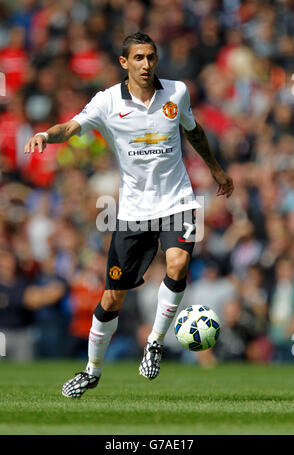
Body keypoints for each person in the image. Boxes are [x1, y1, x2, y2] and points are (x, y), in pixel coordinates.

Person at [24, 32, 234, 398]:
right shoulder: (107, 102)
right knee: (111, 300)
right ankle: (92, 370)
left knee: (177, 263)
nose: (146, 65)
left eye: (151, 57)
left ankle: (154, 342)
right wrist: (45, 134)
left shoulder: (177, 92)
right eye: (138, 58)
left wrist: (215, 169)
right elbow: (70, 128)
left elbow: (193, 130)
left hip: (177, 201)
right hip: (134, 211)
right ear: (124, 63)